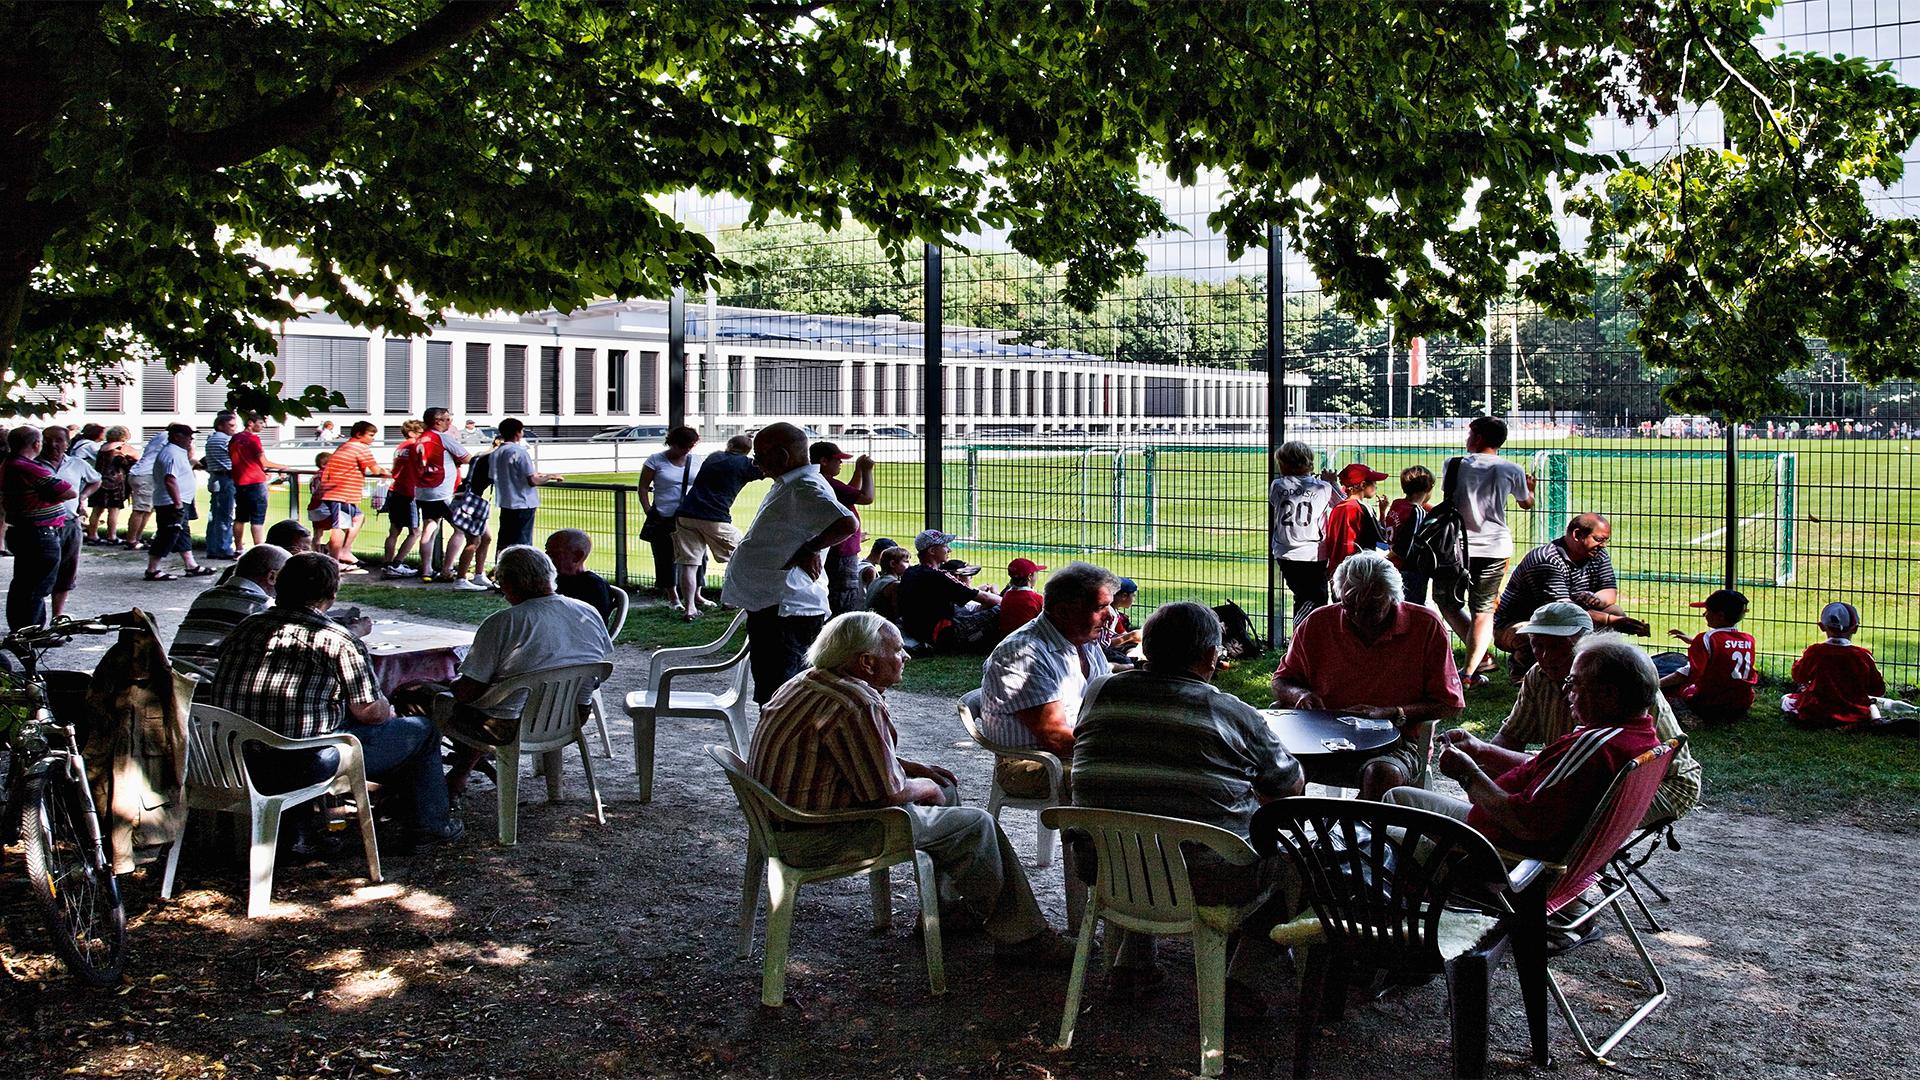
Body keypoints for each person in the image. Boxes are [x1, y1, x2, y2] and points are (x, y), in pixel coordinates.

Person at [749, 612, 1071, 965]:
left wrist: (914, 770)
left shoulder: (810, 682)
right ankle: (1023, 938)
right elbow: (884, 794)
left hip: (784, 822)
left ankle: (947, 910)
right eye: (897, 650)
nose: (906, 656)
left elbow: (845, 753)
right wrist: (923, 786)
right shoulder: (858, 702)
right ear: (867, 662)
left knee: (946, 788)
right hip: (819, 836)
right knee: (978, 824)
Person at [1072, 602, 1306, 1010]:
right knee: (1298, 859)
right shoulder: (1231, 713)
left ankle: (1133, 964)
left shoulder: (1100, 692)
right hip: (1204, 878)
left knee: (1144, 824)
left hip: (1104, 865)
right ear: (1211, 655)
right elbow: (1289, 789)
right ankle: (1241, 980)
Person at [207, 552, 461, 847]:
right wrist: (388, 709)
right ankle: (431, 824)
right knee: (421, 731)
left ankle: (302, 831)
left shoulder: (246, 628)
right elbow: (370, 711)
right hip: (301, 762)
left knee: (324, 726)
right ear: (331, 594)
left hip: (234, 755)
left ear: (281, 585)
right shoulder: (337, 640)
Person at [1392, 634, 1664, 861]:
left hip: (1497, 856)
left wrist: (1467, 774)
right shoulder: (1637, 736)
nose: (1566, 691)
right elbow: (1552, 770)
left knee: (1379, 831)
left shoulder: (1596, 748)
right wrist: (1482, 750)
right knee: (1398, 797)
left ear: (1609, 694)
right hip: (1498, 830)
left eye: (1574, 683)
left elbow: (1523, 823)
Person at [1482, 602, 1702, 827]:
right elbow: (1511, 736)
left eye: (1558, 646)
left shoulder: (1623, 679)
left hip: (1658, 782)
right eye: (1537, 645)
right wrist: (1482, 767)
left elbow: (1651, 759)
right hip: (1589, 771)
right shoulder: (1539, 676)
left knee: (1557, 813)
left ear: (1586, 644)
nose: (1546, 656)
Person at [1268, 552, 1465, 800]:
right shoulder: (1318, 623)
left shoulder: (1426, 626)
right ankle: (1286, 825)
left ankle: (1352, 825)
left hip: (1397, 742)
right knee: (1277, 770)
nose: (1359, 617)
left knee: (1381, 774)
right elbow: (1281, 681)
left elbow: (1450, 704)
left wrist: (1393, 713)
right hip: (1319, 738)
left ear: (1393, 598)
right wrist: (1300, 694)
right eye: (1349, 606)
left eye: (1371, 609)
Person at [439, 546, 614, 792]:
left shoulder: (503, 622)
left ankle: (431, 784)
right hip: (572, 716)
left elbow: (468, 692)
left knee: (424, 698)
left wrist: (451, 680)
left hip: (507, 727)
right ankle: (461, 773)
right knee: (501, 696)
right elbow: (598, 664)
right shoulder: (588, 611)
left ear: (509, 581)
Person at [720, 422, 858, 704]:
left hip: (786, 609)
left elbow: (847, 523)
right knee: (776, 691)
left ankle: (778, 733)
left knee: (780, 695)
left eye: (759, 456)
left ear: (782, 456)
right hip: (775, 604)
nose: (756, 464)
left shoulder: (804, 486)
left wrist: (810, 548)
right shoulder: (793, 484)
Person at [978, 561, 1119, 799]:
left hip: (1076, 752)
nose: (1110, 616)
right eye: (1100, 607)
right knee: (1133, 779)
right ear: (1063, 612)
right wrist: (1125, 750)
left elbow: (1106, 702)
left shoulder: (1085, 640)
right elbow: (1056, 738)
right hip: (1032, 763)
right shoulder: (1022, 655)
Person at [1434, 416, 1536, 686]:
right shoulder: (1511, 469)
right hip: (1495, 546)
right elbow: (1526, 503)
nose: (1467, 438)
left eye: (1470, 434)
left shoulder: (1454, 464)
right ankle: (1471, 668)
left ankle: (1478, 661)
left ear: (1478, 437)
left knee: (1447, 601)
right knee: (1483, 609)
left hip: (1456, 547)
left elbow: (1449, 500)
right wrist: (1530, 490)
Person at [1493, 513, 1648, 680]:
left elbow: (1609, 591)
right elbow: (1563, 615)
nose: (1603, 545)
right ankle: (1522, 672)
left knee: (1615, 611)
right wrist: (1611, 620)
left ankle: (1596, 669)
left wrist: (1597, 600)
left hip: (1562, 617)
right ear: (1577, 535)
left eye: (1605, 541)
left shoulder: (1597, 555)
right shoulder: (1546, 560)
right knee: (1535, 634)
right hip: (1517, 623)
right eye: (1598, 539)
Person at [673, 433, 763, 620]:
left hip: (686, 514)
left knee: (689, 563)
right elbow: (767, 470)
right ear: (748, 451)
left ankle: (689, 608)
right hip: (715, 517)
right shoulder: (746, 464)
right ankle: (730, 600)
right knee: (742, 553)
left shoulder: (714, 457)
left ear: (729, 445)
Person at [2, 426, 78, 629]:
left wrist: (45, 495)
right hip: (39, 532)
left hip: (23, 530)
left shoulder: (9, 463)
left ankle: (19, 629)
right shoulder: (28, 468)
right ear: (37, 444)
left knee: (23, 583)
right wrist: (50, 496)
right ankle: (32, 632)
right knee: (36, 586)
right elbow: (69, 492)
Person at [171, 544, 290, 672]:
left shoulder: (206, 596)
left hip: (178, 678)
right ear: (272, 577)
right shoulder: (263, 605)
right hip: (214, 679)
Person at [1659, 588, 1759, 724]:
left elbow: (1688, 673)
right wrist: (1693, 641)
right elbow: (1724, 651)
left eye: (1707, 611)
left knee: (1673, 681)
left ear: (1720, 616)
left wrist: (1656, 684)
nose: (1704, 614)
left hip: (1710, 704)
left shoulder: (1706, 638)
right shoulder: (1749, 639)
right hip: (1742, 702)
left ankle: (1687, 714)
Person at [1782, 601, 1887, 730]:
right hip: (1853, 711)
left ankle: (1815, 721)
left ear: (1821, 626)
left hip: (1818, 710)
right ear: (1855, 628)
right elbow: (1877, 690)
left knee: (1786, 699)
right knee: (1870, 704)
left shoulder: (1815, 652)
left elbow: (1799, 676)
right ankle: (1876, 721)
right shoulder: (1862, 655)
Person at [1268, 440, 1337, 630]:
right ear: (1309, 462)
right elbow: (1342, 503)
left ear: (1283, 464)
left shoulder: (1277, 485)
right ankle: (1301, 634)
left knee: (1307, 596)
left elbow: (1275, 501)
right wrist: (1332, 482)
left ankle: (1306, 634)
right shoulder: (1323, 488)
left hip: (1285, 552)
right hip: (1312, 553)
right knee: (1315, 598)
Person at [898, 529, 1002, 652]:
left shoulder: (911, 572)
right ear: (932, 551)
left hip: (916, 631)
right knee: (1001, 609)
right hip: (942, 636)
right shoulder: (939, 577)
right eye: (945, 546)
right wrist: (1004, 598)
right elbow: (986, 598)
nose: (949, 550)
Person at [38, 426, 100, 618]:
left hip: (70, 523)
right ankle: (35, 621)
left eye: (58, 440)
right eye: (48, 440)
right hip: (43, 525)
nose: (53, 444)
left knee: (66, 571)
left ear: (67, 443)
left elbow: (96, 480)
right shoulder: (34, 465)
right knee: (40, 573)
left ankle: (57, 616)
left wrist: (83, 496)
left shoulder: (77, 463)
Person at [639, 426, 700, 607]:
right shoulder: (655, 460)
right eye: (683, 446)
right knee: (665, 556)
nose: (686, 450)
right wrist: (648, 510)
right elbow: (643, 487)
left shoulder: (697, 460)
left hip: (690, 515)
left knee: (697, 555)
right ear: (672, 443)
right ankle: (673, 596)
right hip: (663, 516)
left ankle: (696, 594)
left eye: (690, 446)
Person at [813, 442, 876, 615]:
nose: (841, 463)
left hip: (837, 548)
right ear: (824, 461)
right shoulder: (828, 482)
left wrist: (858, 471)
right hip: (842, 552)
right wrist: (867, 471)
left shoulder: (822, 481)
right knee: (844, 593)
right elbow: (866, 497)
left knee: (836, 591)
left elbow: (849, 492)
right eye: (838, 459)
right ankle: (841, 623)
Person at [312, 421, 386, 568]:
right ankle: (334, 561)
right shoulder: (360, 447)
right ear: (359, 434)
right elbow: (376, 469)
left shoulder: (344, 446)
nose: (373, 438)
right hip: (341, 493)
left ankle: (344, 551)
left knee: (358, 517)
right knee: (340, 526)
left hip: (334, 492)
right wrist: (387, 472)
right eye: (371, 435)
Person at [146, 423, 214, 581]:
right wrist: (177, 503)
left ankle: (191, 565)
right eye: (188, 436)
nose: (191, 439)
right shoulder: (171, 453)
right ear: (177, 436)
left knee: (182, 532)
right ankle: (152, 569)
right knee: (168, 533)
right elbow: (170, 479)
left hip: (180, 499)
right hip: (171, 501)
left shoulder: (178, 452)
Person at [412, 407, 473, 579]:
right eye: (447, 419)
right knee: (460, 529)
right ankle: (447, 569)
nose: (449, 422)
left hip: (423, 490)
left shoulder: (420, 439)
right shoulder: (442, 438)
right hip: (442, 491)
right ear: (437, 421)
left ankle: (426, 570)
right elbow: (467, 458)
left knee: (430, 527)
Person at [487, 418, 562, 549]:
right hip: (523, 503)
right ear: (518, 433)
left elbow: (495, 476)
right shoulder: (520, 452)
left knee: (505, 542)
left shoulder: (495, 453)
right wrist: (549, 476)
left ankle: (502, 562)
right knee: (523, 544)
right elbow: (532, 481)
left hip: (505, 503)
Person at [440, 436, 497, 590]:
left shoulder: (479, 456)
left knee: (486, 538)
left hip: (465, 498)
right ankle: (461, 578)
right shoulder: (491, 460)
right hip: (471, 502)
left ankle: (479, 575)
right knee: (474, 540)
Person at [227, 412, 287, 553]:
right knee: (257, 519)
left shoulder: (235, 438)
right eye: (260, 423)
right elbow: (263, 461)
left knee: (240, 517)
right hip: (255, 482)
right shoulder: (253, 439)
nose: (263, 426)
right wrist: (283, 466)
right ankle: (259, 550)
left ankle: (238, 548)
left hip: (240, 482)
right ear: (250, 423)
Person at [1319, 462, 1387, 586]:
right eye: (1373, 482)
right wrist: (1383, 515)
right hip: (1358, 573)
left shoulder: (1338, 508)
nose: (1376, 486)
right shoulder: (1363, 508)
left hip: (1337, 572)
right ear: (1363, 485)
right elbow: (1381, 540)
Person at [1382, 464, 1435, 604]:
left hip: (1393, 566)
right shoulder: (1417, 512)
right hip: (1409, 570)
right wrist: (1386, 557)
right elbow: (1404, 547)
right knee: (1412, 608)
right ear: (1428, 488)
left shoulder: (1397, 504)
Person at [380, 418, 426, 577]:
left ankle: (387, 564)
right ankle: (396, 564)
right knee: (415, 531)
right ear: (412, 433)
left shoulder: (400, 447)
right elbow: (424, 465)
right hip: (409, 492)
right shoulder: (417, 446)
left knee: (394, 530)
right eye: (421, 432)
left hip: (395, 490)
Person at [545, 528, 616, 619]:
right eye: (547, 552)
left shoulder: (592, 586)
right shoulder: (553, 579)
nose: (547, 558)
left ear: (577, 556)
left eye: (555, 554)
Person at [86, 426, 136, 545]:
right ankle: (112, 536)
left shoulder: (103, 448)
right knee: (114, 510)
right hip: (115, 482)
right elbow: (128, 464)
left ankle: (92, 535)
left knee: (97, 510)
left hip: (99, 481)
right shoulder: (121, 448)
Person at [123, 427, 171, 550]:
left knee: (147, 509)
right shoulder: (169, 438)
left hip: (142, 474)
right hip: (146, 475)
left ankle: (136, 538)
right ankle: (131, 540)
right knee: (140, 509)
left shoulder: (158, 436)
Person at [202, 411, 239, 560]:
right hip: (226, 478)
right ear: (220, 426)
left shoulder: (211, 439)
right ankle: (224, 548)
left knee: (215, 515)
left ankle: (212, 548)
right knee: (226, 515)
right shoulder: (227, 441)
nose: (234, 428)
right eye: (231, 425)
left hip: (215, 477)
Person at [1098, 576, 1142, 666]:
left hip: (1108, 647)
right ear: (1124, 596)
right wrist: (1130, 636)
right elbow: (1104, 644)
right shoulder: (1108, 614)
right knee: (1128, 662)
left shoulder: (1114, 611)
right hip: (1101, 651)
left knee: (1131, 646)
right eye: (1133, 596)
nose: (1134, 599)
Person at [997, 557, 1046, 636]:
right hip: (1028, 638)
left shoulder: (1007, 595)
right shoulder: (1036, 598)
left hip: (1007, 637)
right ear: (1030, 576)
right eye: (1036, 573)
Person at [865, 544, 912, 623]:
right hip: (883, 623)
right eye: (906, 561)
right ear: (892, 564)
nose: (909, 565)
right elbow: (896, 611)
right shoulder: (894, 584)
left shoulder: (877, 580)